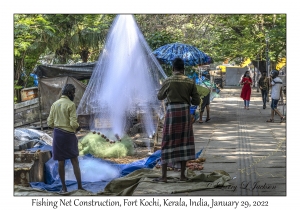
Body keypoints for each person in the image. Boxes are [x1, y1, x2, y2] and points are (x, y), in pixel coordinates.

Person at [155, 58, 200, 182]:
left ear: (173, 68)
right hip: (185, 113)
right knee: (184, 142)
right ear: (183, 69)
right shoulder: (189, 81)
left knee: (167, 141)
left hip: (172, 113)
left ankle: (163, 176)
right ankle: (182, 176)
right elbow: (196, 101)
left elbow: (160, 97)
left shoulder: (168, 81)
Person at [47, 84, 85, 193]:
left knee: (61, 162)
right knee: (74, 161)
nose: (74, 95)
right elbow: (73, 124)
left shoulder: (55, 104)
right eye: (73, 93)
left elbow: (49, 123)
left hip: (58, 135)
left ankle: (64, 188)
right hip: (68, 136)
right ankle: (79, 187)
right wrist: (77, 127)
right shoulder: (71, 104)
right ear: (69, 93)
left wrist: (59, 126)